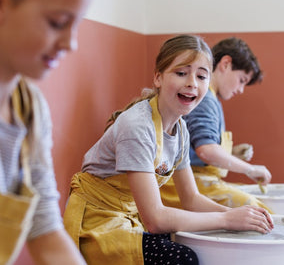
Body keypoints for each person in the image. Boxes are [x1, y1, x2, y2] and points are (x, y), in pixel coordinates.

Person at [63, 35, 273, 265]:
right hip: (98, 222)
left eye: (201, 76)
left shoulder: (180, 129)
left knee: (201, 238)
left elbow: (191, 199)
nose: (192, 82)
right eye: (181, 73)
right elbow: (155, 219)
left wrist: (234, 216)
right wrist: (226, 219)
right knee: (184, 257)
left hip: (131, 215)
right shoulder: (137, 126)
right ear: (158, 78)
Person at [0, 0, 96, 264]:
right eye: (57, 22)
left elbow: (44, 229)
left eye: (76, 26)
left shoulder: (29, 108)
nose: (70, 44)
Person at [160, 37, 272, 211]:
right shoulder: (204, 99)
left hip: (195, 180)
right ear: (225, 63)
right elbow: (206, 150)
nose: (241, 89)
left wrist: (231, 153)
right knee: (258, 211)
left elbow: (198, 147)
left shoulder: (211, 99)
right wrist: (250, 169)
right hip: (185, 185)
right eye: (242, 80)